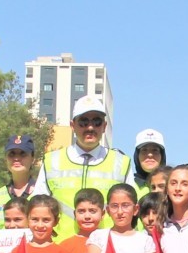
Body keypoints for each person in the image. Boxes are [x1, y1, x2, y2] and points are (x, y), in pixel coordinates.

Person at [42, 96, 130, 239]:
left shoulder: (121, 163)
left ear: (104, 126)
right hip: (61, 248)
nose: (90, 127)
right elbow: (38, 208)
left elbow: (129, 210)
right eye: (83, 122)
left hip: (107, 248)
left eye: (96, 121)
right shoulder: (52, 160)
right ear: (72, 125)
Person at [0, 135, 40, 228]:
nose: (16, 158)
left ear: (33, 158)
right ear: (5, 159)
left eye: (23, 153)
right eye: (12, 154)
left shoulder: (42, 193)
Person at [129, 129, 167, 196]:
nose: (150, 155)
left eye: (155, 150)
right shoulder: (129, 184)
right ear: (137, 156)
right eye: (144, 150)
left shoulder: (173, 184)